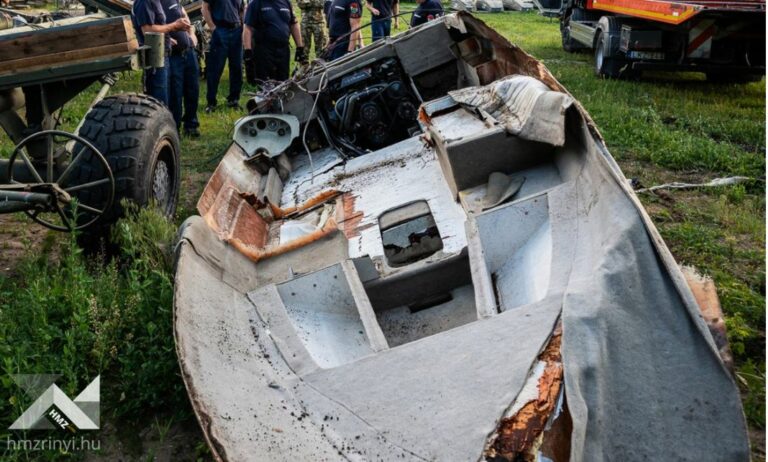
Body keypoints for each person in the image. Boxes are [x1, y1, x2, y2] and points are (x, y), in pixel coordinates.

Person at [131, 0, 191, 105]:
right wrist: (175, 25)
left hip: (163, 55)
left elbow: (156, 25)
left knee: (168, 100)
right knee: (159, 102)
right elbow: (147, 30)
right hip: (155, 59)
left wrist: (166, 38)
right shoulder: (144, 2)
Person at [242, 0, 305, 83]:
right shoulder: (256, 3)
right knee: (265, 84)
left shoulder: (286, 2)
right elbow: (247, 28)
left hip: (283, 50)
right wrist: (248, 51)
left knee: (283, 83)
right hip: (264, 50)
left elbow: (294, 24)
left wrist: (299, 47)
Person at [202, 0, 244, 112]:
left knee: (237, 68)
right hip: (220, 30)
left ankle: (234, 100)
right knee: (215, 69)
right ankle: (211, 103)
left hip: (236, 30)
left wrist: (242, 26)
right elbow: (205, 8)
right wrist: (213, 28)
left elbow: (241, 10)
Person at [167, 0, 201, 136]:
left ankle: (191, 124)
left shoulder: (174, 1)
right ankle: (174, 129)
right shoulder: (154, 4)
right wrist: (165, 38)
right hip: (173, 55)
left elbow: (185, 18)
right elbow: (150, 26)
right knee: (175, 92)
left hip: (189, 52)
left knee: (193, 89)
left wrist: (192, 35)